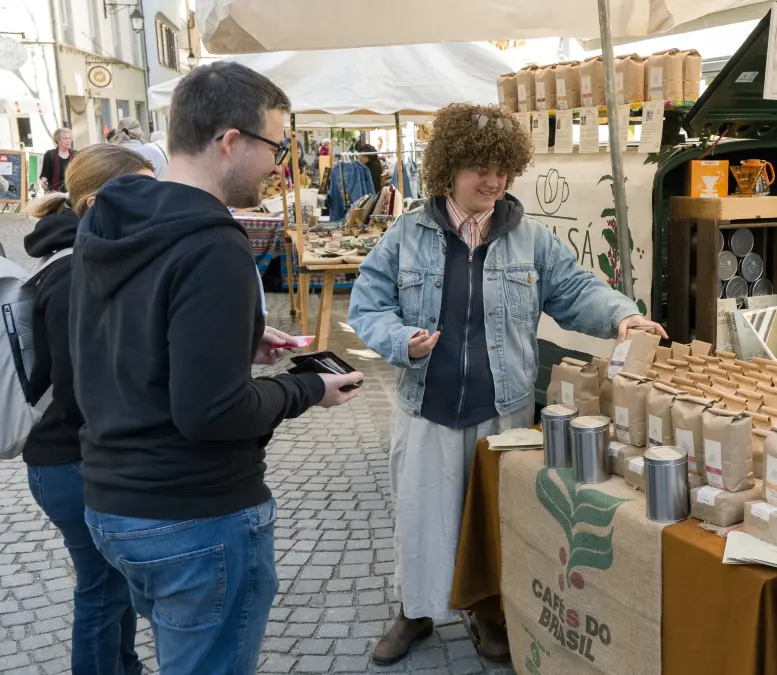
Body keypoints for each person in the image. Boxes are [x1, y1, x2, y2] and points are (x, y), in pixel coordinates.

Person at [69, 61, 364, 675]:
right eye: (278, 146)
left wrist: (238, 344)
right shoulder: (213, 244)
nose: (280, 165)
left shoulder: (110, 220)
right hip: (192, 515)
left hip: (111, 502)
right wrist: (307, 387)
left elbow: (122, 343)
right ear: (231, 140)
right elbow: (211, 412)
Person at [349, 103, 666, 665]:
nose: (493, 182)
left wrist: (622, 316)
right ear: (448, 168)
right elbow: (368, 305)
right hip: (427, 404)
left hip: (504, 409)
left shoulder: (531, 239)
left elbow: (574, 290)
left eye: (502, 169)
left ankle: (491, 611)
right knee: (422, 513)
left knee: (498, 518)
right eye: (479, 168)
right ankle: (415, 612)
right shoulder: (406, 233)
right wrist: (400, 341)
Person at [24, 144, 154, 675]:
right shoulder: (73, 272)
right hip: (68, 460)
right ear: (99, 201)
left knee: (112, 587)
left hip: (70, 457)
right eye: (145, 189)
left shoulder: (86, 257)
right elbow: (80, 390)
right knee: (102, 591)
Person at [39, 128, 74, 193]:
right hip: (54, 192)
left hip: (72, 191)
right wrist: (43, 182)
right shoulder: (49, 154)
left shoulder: (75, 154)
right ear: (58, 140)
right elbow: (45, 173)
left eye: (70, 138)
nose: (68, 141)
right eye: (65, 138)